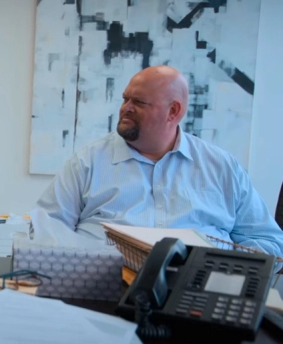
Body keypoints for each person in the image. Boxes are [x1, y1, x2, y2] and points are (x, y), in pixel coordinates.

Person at [35, 65, 283, 271]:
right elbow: (45, 228)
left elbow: (269, 241)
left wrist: (222, 270)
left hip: (197, 294)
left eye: (138, 102)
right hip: (102, 288)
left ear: (173, 111)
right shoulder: (87, 161)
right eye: (125, 99)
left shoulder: (222, 167)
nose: (125, 108)